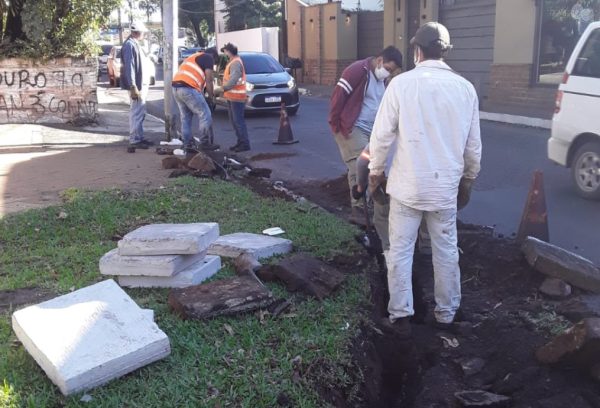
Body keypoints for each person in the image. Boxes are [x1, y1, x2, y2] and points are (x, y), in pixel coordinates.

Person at [368, 22, 482, 337]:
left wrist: (376, 173)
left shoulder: (400, 85)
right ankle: (446, 314)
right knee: (446, 251)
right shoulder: (465, 89)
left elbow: (381, 137)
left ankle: (400, 316)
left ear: (417, 51)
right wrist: (468, 180)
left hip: (407, 188)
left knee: (400, 250)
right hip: (444, 189)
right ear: (445, 52)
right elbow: (473, 147)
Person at [328, 46, 403, 225]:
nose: (388, 74)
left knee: (374, 166)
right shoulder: (357, 71)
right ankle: (359, 209)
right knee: (360, 164)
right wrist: (336, 126)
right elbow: (338, 97)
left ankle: (371, 206)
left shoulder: (382, 80)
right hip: (352, 127)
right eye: (388, 69)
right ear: (380, 61)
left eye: (392, 72)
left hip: (373, 130)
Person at [172, 47, 220, 152]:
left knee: (185, 117)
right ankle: (204, 143)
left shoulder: (193, 57)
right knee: (205, 114)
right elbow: (209, 80)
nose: (213, 65)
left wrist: (203, 96)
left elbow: (199, 86)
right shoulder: (208, 57)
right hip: (188, 88)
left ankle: (187, 144)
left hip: (176, 88)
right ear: (213, 56)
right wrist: (211, 97)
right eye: (214, 62)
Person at [121, 21, 153, 149]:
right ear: (138, 32)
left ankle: (139, 137)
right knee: (136, 112)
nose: (144, 35)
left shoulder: (134, 44)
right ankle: (135, 139)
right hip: (137, 85)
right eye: (143, 33)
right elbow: (130, 66)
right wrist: (133, 85)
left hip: (140, 84)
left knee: (140, 112)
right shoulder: (129, 45)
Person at [221, 43, 250, 153]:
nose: (224, 54)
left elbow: (234, 79)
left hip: (237, 97)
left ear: (229, 51)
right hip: (232, 96)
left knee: (238, 121)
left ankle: (244, 143)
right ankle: (240, 142)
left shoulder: (235, 63)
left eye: (225, 51)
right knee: (235, 121)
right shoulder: (233, 62)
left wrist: (223, 88)